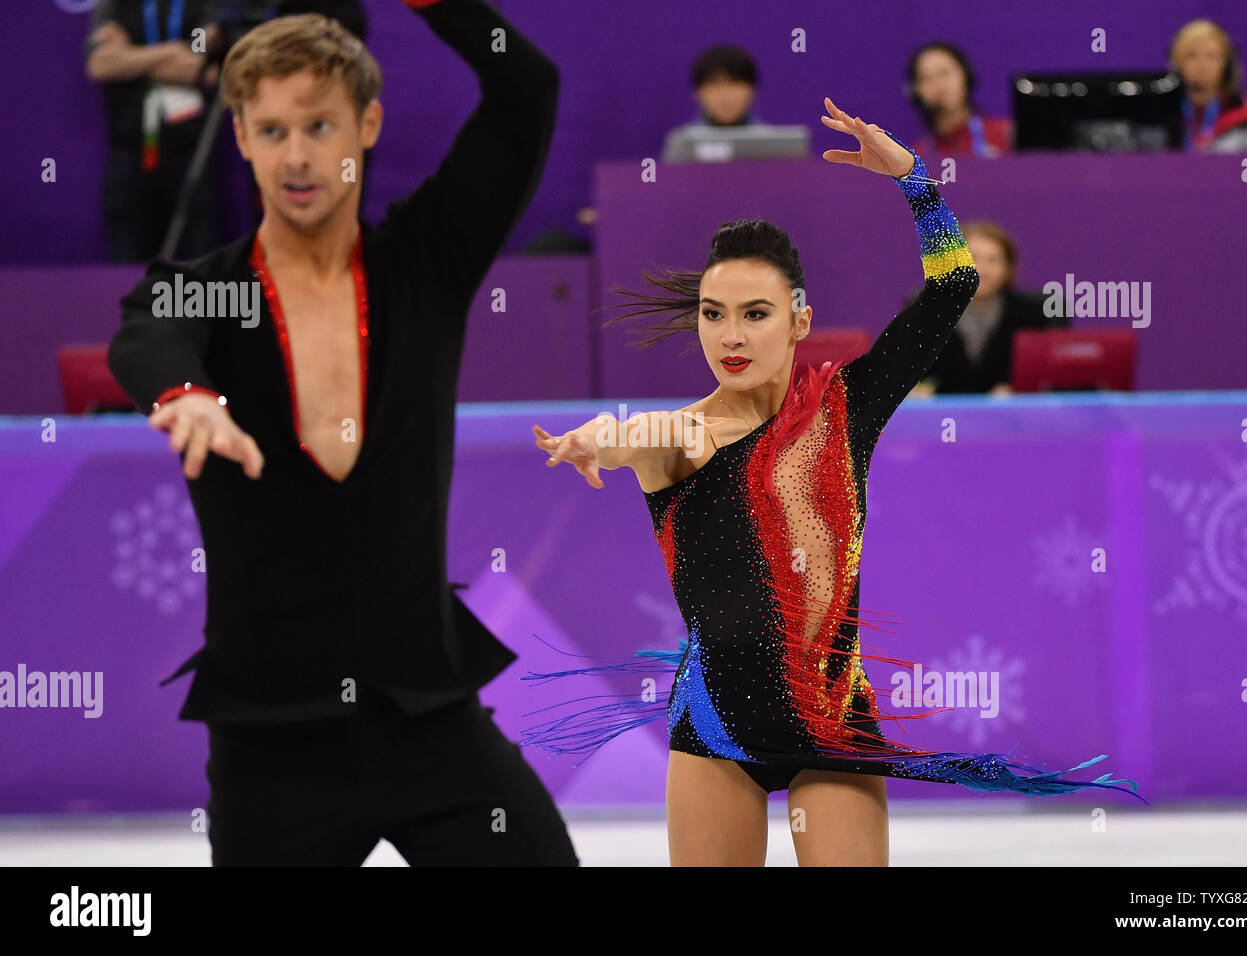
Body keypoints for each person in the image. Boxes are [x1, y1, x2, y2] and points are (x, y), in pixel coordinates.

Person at [528, 99, 1145, 867]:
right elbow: (631, 438)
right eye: (714, 314)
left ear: (799, 319)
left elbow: (954, 286)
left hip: (832, 724)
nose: (732, 335)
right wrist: (598, 441)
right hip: (717, 731)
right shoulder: (680, 434)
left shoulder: (845, 410)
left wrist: (913, 179)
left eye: (755, 313)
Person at [107, 0, 576, 866]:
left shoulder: (425, 264)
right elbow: (147, 330)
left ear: (367, 124)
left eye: (320, 125)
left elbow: (526, 84)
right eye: (272, 128)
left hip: (428, 720)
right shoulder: (213, 291)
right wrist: (186, 394)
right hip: (269, 749)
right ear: (240, 136)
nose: (296, 156)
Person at [85, 0, 227, 261]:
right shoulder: (115, 5)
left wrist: (130, 54)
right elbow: (100, 64)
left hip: (191, 152)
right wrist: (173, 52)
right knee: (127, 263)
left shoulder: (204, 5)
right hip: (129, 153)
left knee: (200, 259)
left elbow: (199, 66)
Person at [908, 219, 1059, 396]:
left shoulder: (1034, 313)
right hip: (943, 418)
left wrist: (1019, 391)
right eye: (972, 258)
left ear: (1008, 268)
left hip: (1015, 417)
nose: (983, 270)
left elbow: (1049, 378)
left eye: (993, 260)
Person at [1169, 19, 1247, 153]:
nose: (1202, 66)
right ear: (1176, 64)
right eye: (1192, 56)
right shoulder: (1159, 117)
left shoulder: (1246, 118)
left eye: (1212, 57)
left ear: (1226, 66)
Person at [905, 42, 1011, 159]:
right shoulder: (916, 158)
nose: (938, 84)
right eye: (926, 78)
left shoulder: (1006, 136)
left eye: (944, 73)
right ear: (916, 91)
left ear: (966, 76)